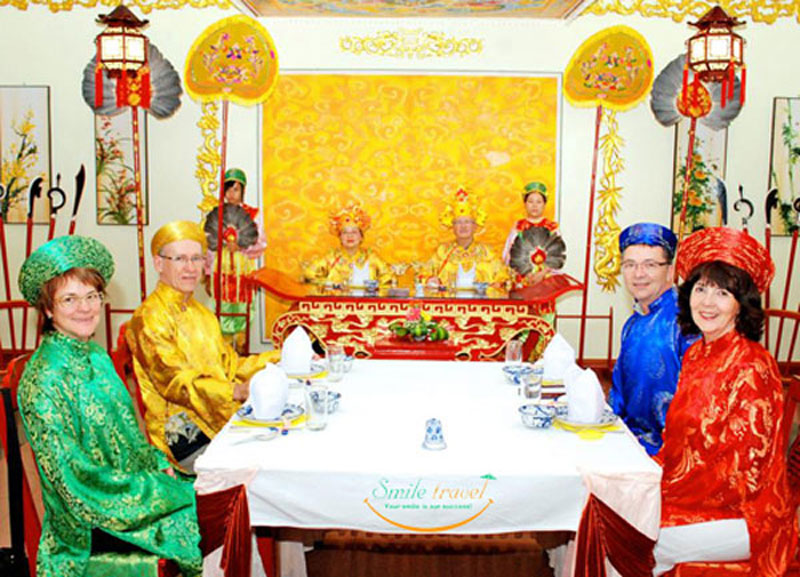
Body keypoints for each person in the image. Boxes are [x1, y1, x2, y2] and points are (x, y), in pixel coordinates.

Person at [16, 235, 202, 577]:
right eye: (69, 299)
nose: (85, 308)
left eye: (91, 296)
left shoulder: (97, 357)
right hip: (88, 525)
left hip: (123, 491)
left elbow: (130, 440)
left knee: (216, 494)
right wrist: (158, 492)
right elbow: (74, 482)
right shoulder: (43, 380)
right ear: (47, 308)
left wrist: (159, 466)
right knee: (203, 510)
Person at [652, 226, 797, 576]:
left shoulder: (752, 364)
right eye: (700, 289)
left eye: (722, 292)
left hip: (745, 516)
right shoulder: (697, 355)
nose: (706, 302)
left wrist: (666, 494)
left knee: (633, 538)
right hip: (691, 495)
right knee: (609, 511)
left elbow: (743, 476)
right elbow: (677, 445)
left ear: (740, 305)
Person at [126, 221, 280, 471]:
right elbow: (176, 383)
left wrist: (280, 358)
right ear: (158, 263)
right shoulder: (150, 317)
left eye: (196, 259)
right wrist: (236, 392)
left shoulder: (203, 313)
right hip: (180, 430)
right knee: (261, 464)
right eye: (180, 259)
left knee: (279, 439)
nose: (190, 268)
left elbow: (230, 365)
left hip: (216, 412)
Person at [608, 223, 696, 455]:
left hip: (669, 456)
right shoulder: (634, 322)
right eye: (630, 265)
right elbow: (618, 395)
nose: (638, 274)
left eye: (650, 265)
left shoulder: (687, 320)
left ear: (669, 270)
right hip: (627, 443)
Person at [205, 168, 267, 353]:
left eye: (236, 189)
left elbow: (261, 243)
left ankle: (241, 351)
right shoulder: (217, 215)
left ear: (243, 191)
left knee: (242, 309)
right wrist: (208, 274)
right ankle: (223, 355)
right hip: (220, 268)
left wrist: (241, 246)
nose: (232, 194)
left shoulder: (253, 215)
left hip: (242, 269)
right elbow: (209, 246)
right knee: (220, 309)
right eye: (228, 189)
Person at [426, 188, 508, 289]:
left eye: (467, 222)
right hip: (450, 303)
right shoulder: (443, 252)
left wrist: (498, 284)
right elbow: (424, 275)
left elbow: (503, 278)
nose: (463, 226)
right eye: (458, 222)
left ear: (475, 226)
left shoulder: (488, 252)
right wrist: (430, 280)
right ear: (453, 227)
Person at [303, 201, 393, 289]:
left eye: (354, 232)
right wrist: (328, 283)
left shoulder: (371, 258)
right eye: (345, 233)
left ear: (361, 237)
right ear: (340, 237)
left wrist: (374, 287)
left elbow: (388, 278)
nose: (350, 236)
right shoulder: (330, 258)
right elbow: (309, 274)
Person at [502, 181, 560, 266]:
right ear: (525, 204)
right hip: (521, 274)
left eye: (539, 202)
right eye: (530, 201)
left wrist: (542, 273)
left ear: (544, 204)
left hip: (546, 275)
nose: (534, 205)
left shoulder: (552, 227)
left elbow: (557, 255)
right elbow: (508, 253)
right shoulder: (518, 226)